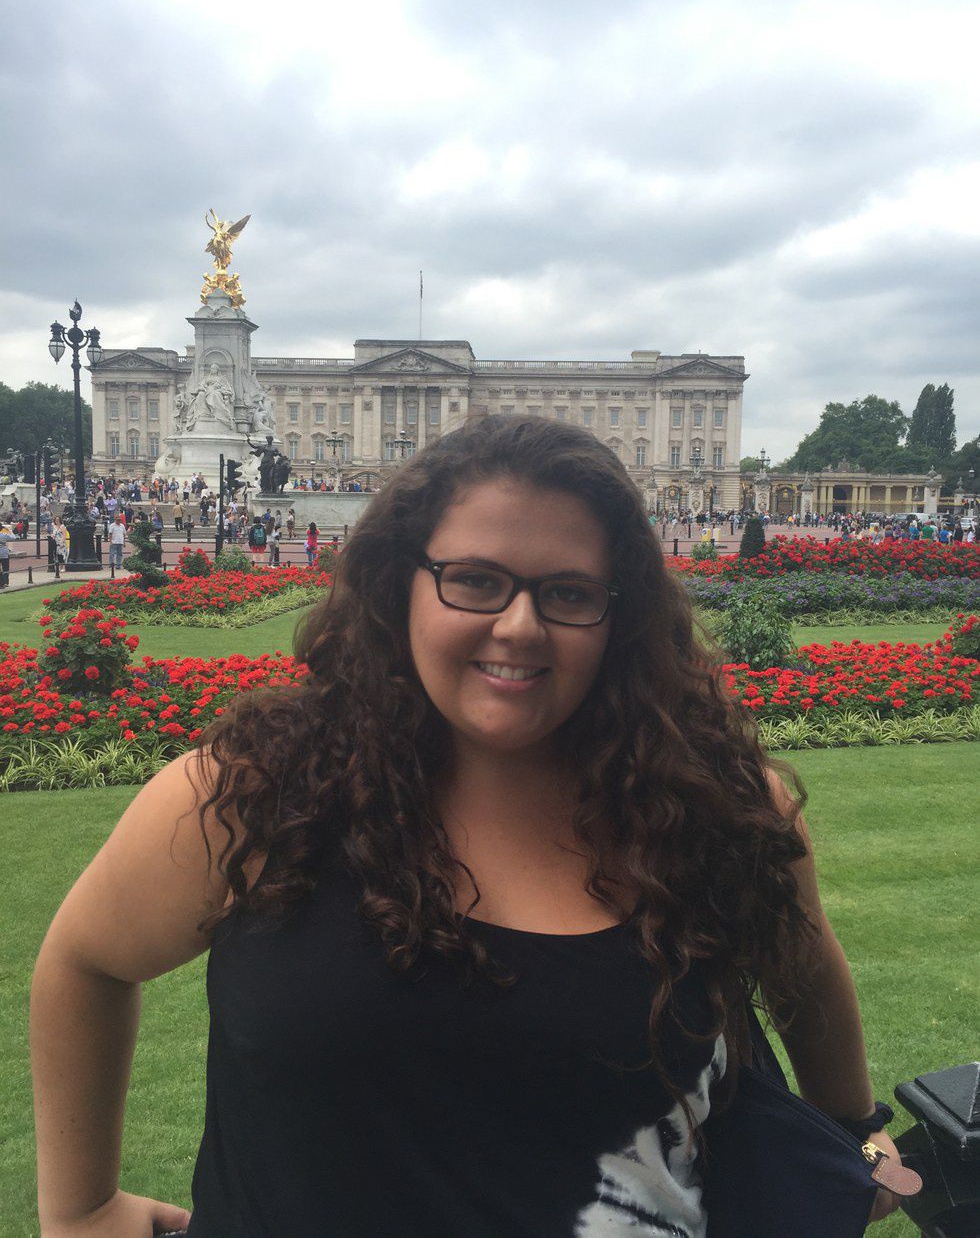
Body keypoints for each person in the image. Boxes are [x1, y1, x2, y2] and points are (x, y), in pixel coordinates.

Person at [31, 417, 902, 1236]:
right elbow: (85, 960)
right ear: (402, 585)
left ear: (619, 614)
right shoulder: (252, 793)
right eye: (476, 580)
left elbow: (802, 961)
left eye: (567, 593)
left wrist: (855, 1130)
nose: (518, 627)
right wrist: (81, 1209)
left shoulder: (718, 802)